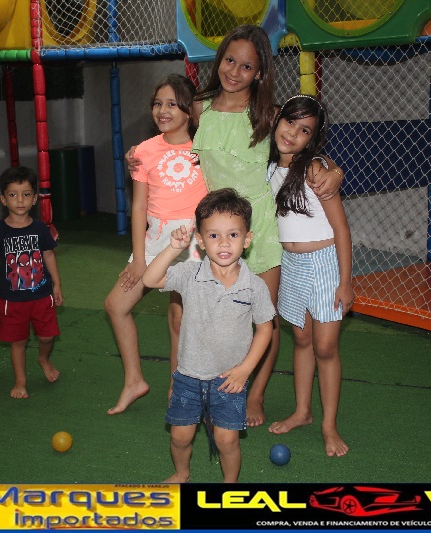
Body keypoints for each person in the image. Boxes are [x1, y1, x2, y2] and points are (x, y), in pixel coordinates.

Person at [128, 25, 344, 427]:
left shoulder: (268, 114)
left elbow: (302, 147)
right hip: (214, 229)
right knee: (204, 312)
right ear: (219, 61)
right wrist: (137, 155)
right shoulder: (200, 107)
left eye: (246, 66)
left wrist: (334, 170)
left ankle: (254, 394)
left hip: (260, 229)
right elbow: (169, 133)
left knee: (263, 318)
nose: (234, 71)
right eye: (229, 60)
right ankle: (200, 383)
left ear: (259, 73)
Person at [142, 188, 276, 482]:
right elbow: (150, 279)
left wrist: (245, 370)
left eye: (233, 235)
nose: (224, 243)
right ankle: (182, 474)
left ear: (247, 239)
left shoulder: (254, 286)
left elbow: (266, 329)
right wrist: (172, 248)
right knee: (180, 436)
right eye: (214, 235)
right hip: (188, 376)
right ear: (201, 241)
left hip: (229, 379)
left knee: (227, 440)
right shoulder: (190, 274)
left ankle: (229, 484)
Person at [105, 74, 208, 415]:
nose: (163, 110)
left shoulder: (204, 148)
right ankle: (134, 380)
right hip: (154, 240)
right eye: (158, 103)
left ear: (189, 110)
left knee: (179, 318)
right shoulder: (144, 151)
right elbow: (138, 207)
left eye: (173, 104)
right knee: (116, 305)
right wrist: (139, 258)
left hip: (191, 242)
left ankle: (178, 389)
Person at [265, 95, 353, 457]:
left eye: (304, 130)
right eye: (290, 122)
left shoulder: (315, 169)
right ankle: (302, 411)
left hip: (324, 263)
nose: (293, 133)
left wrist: (345, 281)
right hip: (291, 264)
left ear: (312, 139)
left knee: (325, 347)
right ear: (277, 120)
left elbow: (341, 228)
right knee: (301, 341)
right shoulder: (268, 166)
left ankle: (329, 425)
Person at [0, 166, 64, 399]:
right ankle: (20, 380)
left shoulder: (39, 228)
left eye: (26, 194)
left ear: (35, 198)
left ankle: (43, 358)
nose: (20, 200)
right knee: (18, 341)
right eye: (13, 195)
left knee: (47, 336)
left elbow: (49, 255)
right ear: (3, 199)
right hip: (12, 299)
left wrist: (57, 284)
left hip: (42, 295)